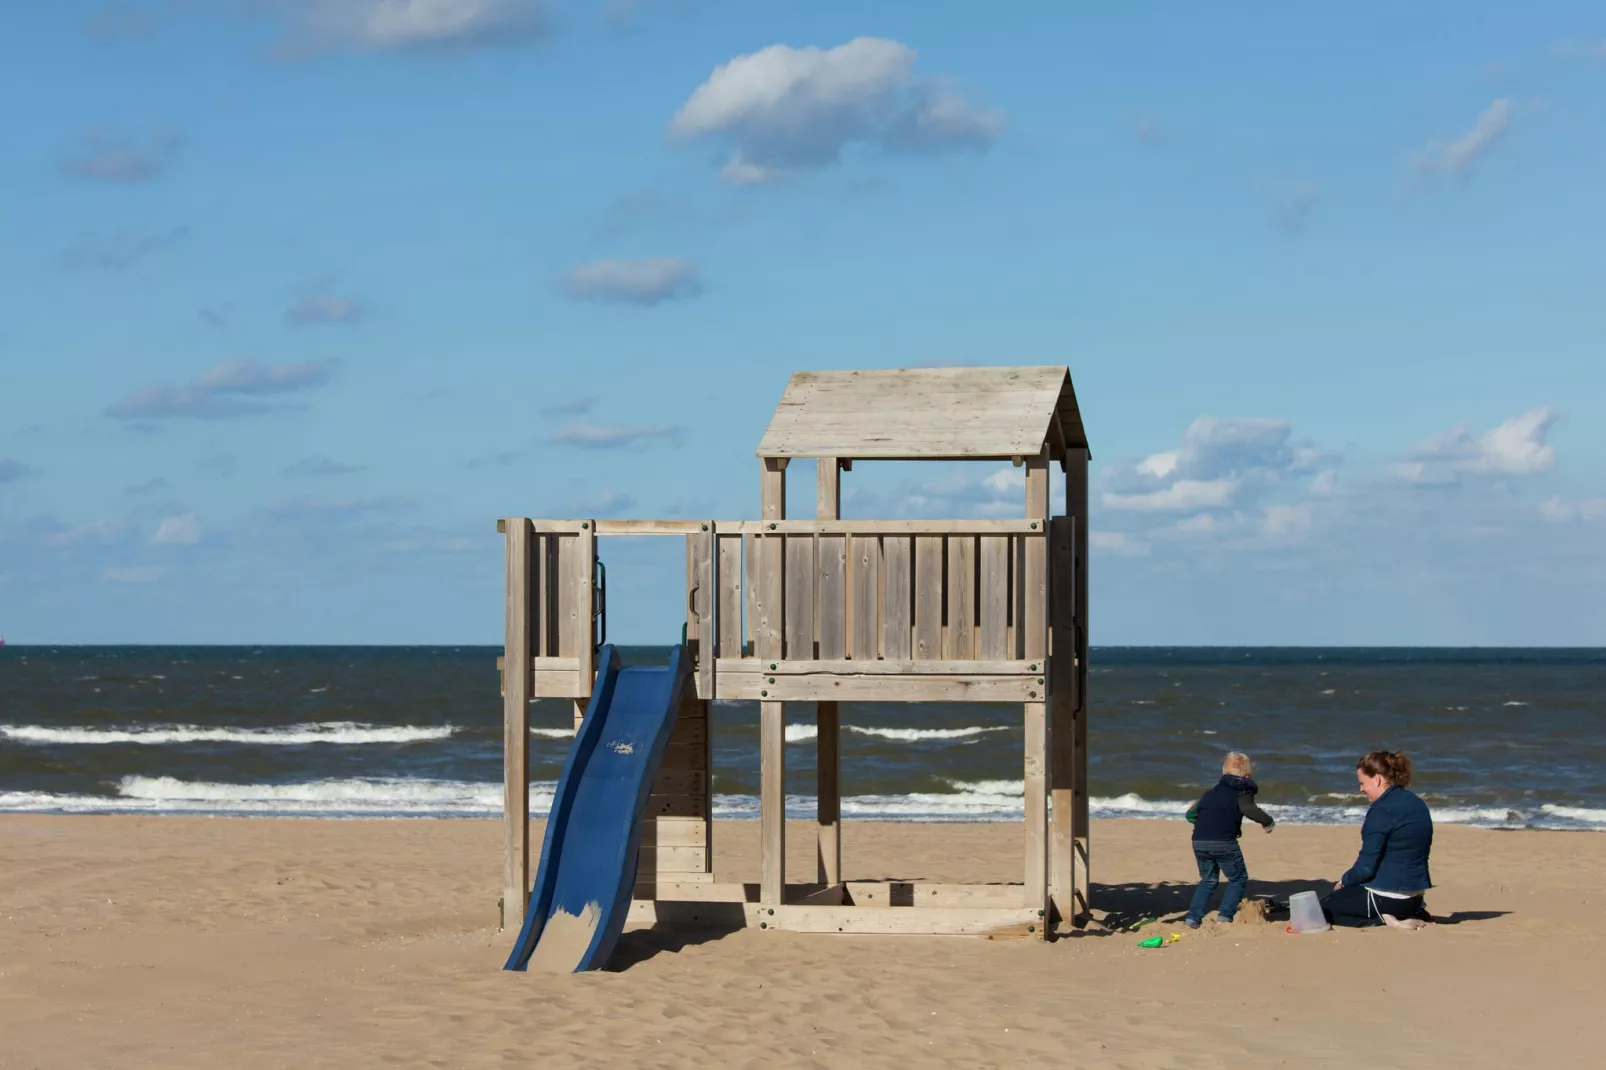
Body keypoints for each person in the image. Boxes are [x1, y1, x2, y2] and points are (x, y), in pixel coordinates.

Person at [1324, 750, 1434, 929]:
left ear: (1377, 779)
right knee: (1343, 899)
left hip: (1386, 898)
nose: (1361, 789)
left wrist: (1343, 882)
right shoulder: (1417, 803)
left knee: (1322, 909)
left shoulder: (1381, 810)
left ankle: (1383, 919)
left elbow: (1365, 868)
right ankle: (1408, 914)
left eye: (1362, 783)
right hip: (1415, 899)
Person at [1182, 751, 1275, 928]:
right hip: (1224, 842)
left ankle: (1192, 919)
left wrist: (1208, 819)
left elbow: (1190, 815)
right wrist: (1268, 822)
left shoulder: (1209, 794)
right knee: (1238, 879)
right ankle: (1225, 917)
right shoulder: (1242, 791)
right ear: (1247, 776)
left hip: (1199, 841)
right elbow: (1250, 809)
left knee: (1208, 881)